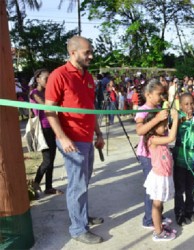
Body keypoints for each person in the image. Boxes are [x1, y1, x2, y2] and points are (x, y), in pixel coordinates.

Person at [45, 36, 105, 244]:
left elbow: (90, 109)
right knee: (77, 185)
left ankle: (82, 217)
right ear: (73, 53)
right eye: (87, 52)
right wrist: (62, 138)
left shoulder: (88, 77)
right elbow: (50, 110)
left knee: (84, 182)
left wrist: (99, 133)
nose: (91, 55)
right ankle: (78, 229)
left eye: (91, 51)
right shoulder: (58, 75)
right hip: (71, 139)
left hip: (87, 138)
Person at [135, 79, 171, 230]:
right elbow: (139, 130)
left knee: (159, 189)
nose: (162, 97)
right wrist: (157, 118)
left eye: (163, 94)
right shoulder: (142, 110)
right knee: (152, 189)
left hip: (158, 155)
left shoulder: (158, 108)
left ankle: (157, 215)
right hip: (148, 156)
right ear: (148, 95)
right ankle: (149, 219)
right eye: (159, 94)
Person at [143, 108, 179, 241]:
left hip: (164, 175)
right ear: (153, 126)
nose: (165, 127)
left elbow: (169, 136)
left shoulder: (160, 137)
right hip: (158, 177)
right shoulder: (153, 139)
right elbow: (172, 137)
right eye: (162, 125)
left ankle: (160, 227)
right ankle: (158, 232)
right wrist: (175, 119)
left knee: (160, 205)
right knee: (156, 205)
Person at [173, 93, 194, 226]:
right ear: (180, 106)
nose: (190, 107)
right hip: (180, 161)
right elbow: (170, 132)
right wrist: (178, 120)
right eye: (186, 104)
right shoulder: (178, 121)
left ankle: (189, 210)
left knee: (191, 188)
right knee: (179, 189)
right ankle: (179, 212)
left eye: (192, 103)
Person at [29, 69, 63, 197]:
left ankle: (48, 187)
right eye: (46, 79)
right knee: (47, 160)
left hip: (52, 127)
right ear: (38, 79)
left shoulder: (48, 92)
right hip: (43, 129)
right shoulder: (34, 93)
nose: (49, 82)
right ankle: (36, 183)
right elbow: (47, 105)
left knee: (52, 159)